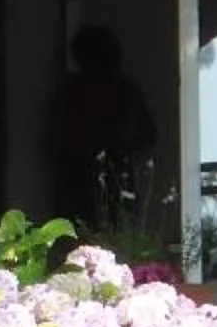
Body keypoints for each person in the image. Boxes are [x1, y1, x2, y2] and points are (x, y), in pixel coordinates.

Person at [49, 24, 161, 234]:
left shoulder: (74, 90)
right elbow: (56, 138)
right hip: (82, 178)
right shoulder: (73, 91)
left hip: (103, 176)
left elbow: (148, 135)